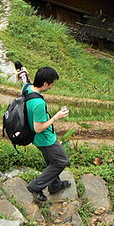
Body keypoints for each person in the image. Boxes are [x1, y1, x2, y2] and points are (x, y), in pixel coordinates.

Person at [25, 66, 71, 202]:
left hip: (38, 138)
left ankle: (55, 185)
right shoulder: (38, 103)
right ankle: (35, 186)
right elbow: (38, 128)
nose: (52, 86)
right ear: (45, 84)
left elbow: (23, 81)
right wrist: (56, 117)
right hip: (44, 139)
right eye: (52, 84)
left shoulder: (27, 88)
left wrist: (22, 71)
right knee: (62, 161)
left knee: (52, 160)